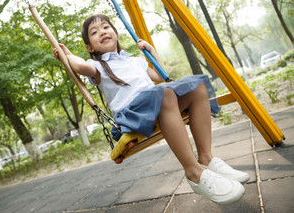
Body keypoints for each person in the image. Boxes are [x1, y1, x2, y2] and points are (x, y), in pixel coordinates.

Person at [53, 14, 250, 205]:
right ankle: (194, 172)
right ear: (90, 47)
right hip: (132, 114)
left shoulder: (134, 60)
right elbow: (78, 66)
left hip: (157, 101)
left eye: (106, 27)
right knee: (163, 94)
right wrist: (67, 55)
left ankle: (206, 158)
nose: (102, 32)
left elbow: (158, 74)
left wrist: (151, 50)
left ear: (115, 32)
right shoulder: (97, 66)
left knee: (196, 87)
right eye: (94, 32)